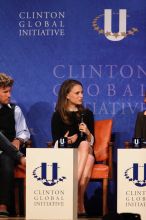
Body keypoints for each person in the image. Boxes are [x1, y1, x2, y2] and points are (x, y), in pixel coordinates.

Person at [51, 79, 95, 216]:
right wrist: (67, 140)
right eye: (77, 93)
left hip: (85, 149)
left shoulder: (87, 114)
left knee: (84, 144)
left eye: (82, 92)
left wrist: (87, 132)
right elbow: (56, 143)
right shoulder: (57, 115)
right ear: (67, 95)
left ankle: (72, 184)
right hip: (67, 155)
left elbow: (93, 142)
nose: (81, 95)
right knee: (88, 160)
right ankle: (79, 203)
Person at [0, 73, 30, 217]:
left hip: (6, 153)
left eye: (10, 91)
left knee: (6, 158)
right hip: (13, 153)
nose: (9, 95)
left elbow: (24, 132)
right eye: (5, 92)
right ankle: (21, 158)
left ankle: (3, 205)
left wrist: (18, 140)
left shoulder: (14, 110)